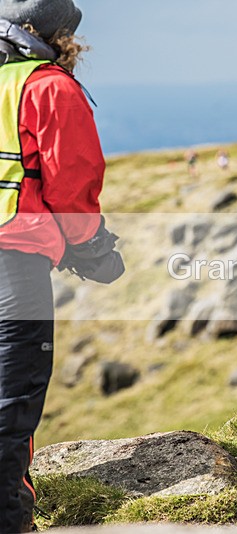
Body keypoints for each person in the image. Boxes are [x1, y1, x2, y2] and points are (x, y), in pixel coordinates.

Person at [0, 1, 124, 531]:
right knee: (10, 402)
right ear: (62, 37)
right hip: (13, 266)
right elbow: (72, 188)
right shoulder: (48, 86)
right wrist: (95, 253)